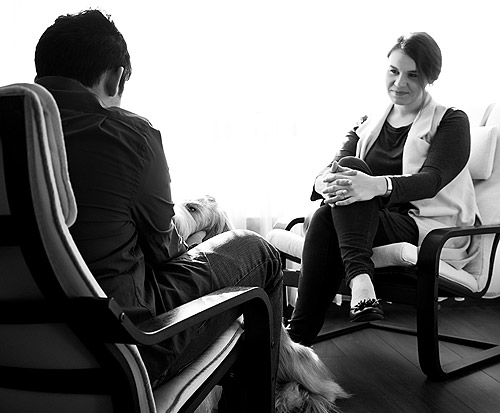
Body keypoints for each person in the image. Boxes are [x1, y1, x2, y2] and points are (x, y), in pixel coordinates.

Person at [34, 9, 283, 389]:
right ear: (116, 77)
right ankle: (272, 390)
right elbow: (165, 251)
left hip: (21, 347)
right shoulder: (128, 134)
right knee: (258, 251)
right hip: (127, 347)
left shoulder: (14, 136)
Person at [287, 32, 479, 345]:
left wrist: (373, 186)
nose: (399, 83)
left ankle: (295, 341)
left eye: (412, 75)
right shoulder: (368, 123)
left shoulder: (451, 121)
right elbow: (329, 170)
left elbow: (432, 180)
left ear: (431, 76)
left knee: (330, 211)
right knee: (347, 173)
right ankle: (359, 286)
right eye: (393, 71)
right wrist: (326, 182)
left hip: (424, 224)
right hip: (370, 222)